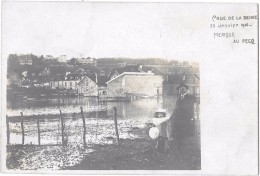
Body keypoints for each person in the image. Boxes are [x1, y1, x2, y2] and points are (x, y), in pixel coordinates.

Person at [170, 83, 197, 152]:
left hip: (186, 119)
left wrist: (192, 117)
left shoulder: (191, 97)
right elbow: (176, 109)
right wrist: (171, 116)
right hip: (178, 119)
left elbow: (192, 108)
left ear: (187, 90)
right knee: (176, 132)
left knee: (181, 133)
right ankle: (179, 147)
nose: (181, 90)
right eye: (180, 89)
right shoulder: (179, 98)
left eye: (183, 89)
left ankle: (180, 148)